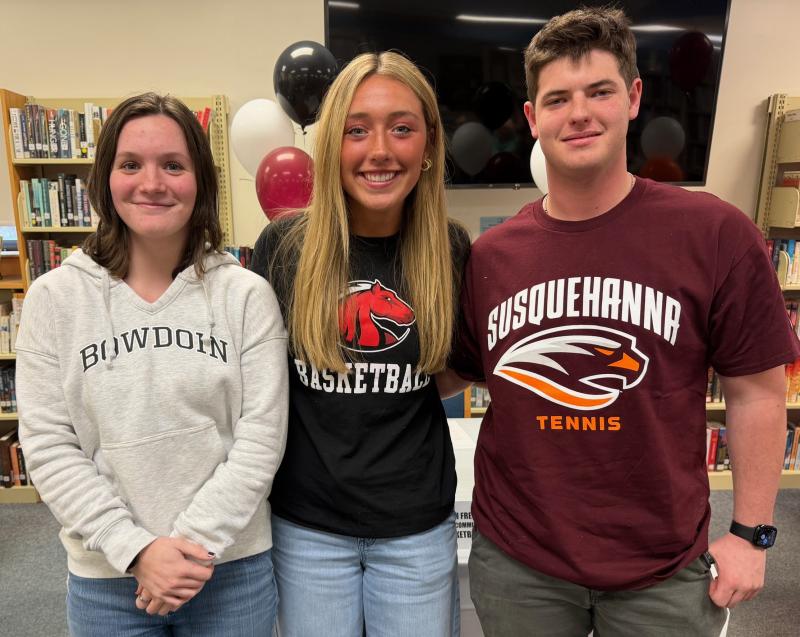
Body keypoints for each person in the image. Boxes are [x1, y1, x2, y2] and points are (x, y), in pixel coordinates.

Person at [446, 7, 800, 636]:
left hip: (661, 566)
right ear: (531, 118)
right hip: (520, 563)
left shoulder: (714, 233)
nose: (579, 113)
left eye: (600, 91)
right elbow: (459, 373)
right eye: (557, 99)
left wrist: (752, 534)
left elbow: (758, 392)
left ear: (634, 98)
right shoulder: (493, 256)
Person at [16, 92, 288, 637]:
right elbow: (48, 445)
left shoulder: (245, 295)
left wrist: (189, 547)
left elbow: (262, 436)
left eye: (173, 165)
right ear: (104, 178)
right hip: (108, 576)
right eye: (130, 164)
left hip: (231, 570)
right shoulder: (54, 299)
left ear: (201, 180)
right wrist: (137, 551)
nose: (152, 183)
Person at [250, 51, 470, 636]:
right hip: (308, 527)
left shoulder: (451, 249)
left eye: (402, 128)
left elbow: (451, 371)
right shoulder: (284, 246)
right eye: (356, 130)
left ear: (428, 146)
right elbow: (258, 387)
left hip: (415, 526)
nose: (379, 150)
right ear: (331, 145)